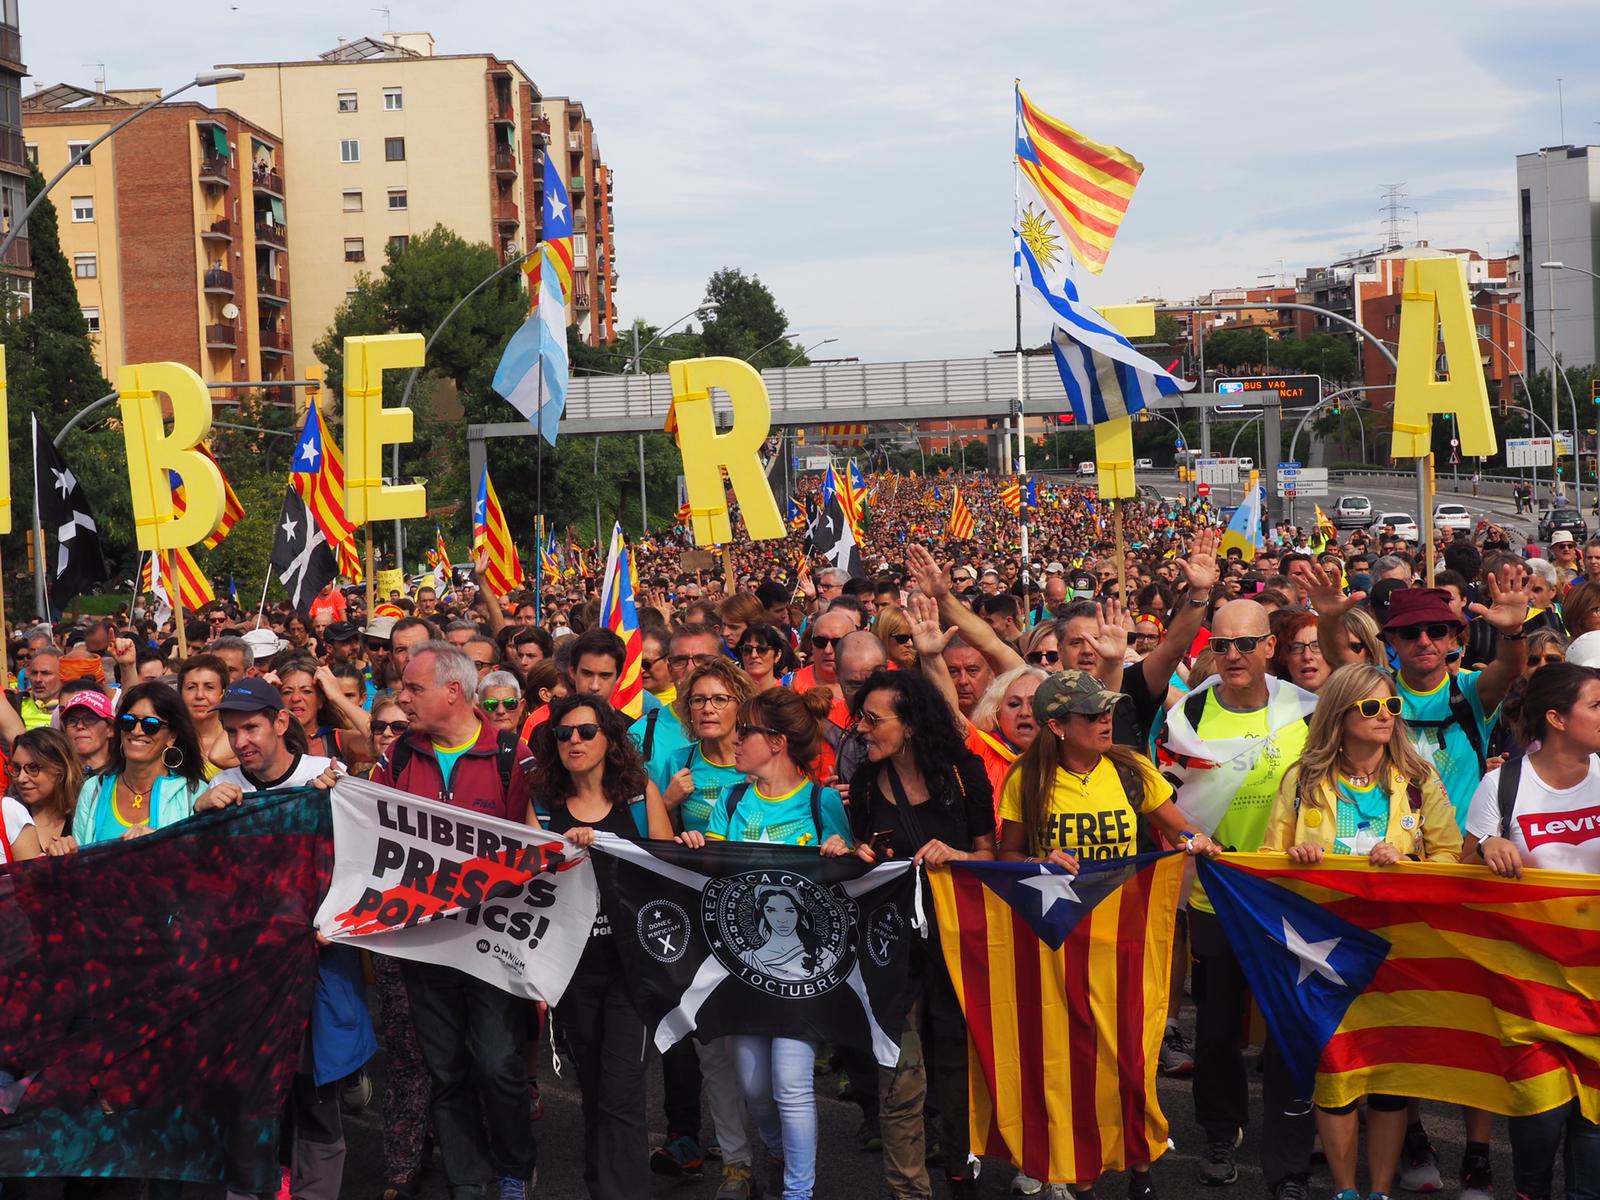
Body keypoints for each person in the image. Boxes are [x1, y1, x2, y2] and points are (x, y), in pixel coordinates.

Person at [1262, 663, 1462, 1200]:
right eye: (1372, 707)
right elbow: (1267, 862)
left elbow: (1448, 856)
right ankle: (1346, 1191)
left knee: (1390, 1076)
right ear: (1341, 714)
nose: (1385, 716)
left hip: (1398, 946)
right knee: (1337, 1073)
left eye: (1392, 706)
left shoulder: (1420, 780)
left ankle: (1379, 1192)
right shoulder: (1302, 779)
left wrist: (1409, 862)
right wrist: (1295, 857)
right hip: (1324, 949)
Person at [1154, 599, 1316, 1198]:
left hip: (1289, 894)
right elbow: (1162, 796)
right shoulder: (1188, 712)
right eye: (1220, 646)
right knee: (1219, 1029)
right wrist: (1191, 838)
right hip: (1215, 895)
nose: (1233, 656)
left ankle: (1290, 1158)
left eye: (1246, 644)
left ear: (1271, 645)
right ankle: (1222, 1134)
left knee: (1288, 1027)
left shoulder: (1307, 708)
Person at [374, 642, 537, 1200]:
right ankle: (468, 1177)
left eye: (413, 688)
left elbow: (540, 846)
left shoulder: (514, 758)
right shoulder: (395, 759)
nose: (402, 699)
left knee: (495, 1063)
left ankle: (514, 1166)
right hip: (424, 945)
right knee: (445, 1069)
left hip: (492, 947)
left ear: (453, 691)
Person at [678, 687, 852, 1200]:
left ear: (775, 742)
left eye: (744, 731)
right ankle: (774, 1152)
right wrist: (696, 847)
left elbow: (847, 885)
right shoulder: (733, 799)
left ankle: (798, 1192)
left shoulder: (821, 801)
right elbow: (714, 877)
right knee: (754, 1087)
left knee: (792, 1086)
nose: (734, 740)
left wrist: (841, 852)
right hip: (743, 966)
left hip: (802, 974)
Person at [848, 670, 995, 1200]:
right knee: (901, 1075)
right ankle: (908, 1191)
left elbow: (990, 856)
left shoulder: (964, 773)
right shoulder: (866, 782)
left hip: (957, 945)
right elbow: (866, 852)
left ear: (910, 725)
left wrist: (956, 855)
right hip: (892, 948)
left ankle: (961, 1174)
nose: (862, 729)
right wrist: (856, 853)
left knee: (956, 1072)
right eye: (859, 718)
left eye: (873, 719)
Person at [1465, 662, 1600, 1200]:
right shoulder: (1502, 786)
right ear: (1557, 718)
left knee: (1592, 1128)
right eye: (1597, 705)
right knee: (1541, 1121)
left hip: (1596, 983)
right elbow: (1460, 879)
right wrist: (1486, 850)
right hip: (1528, 986)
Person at [528, 695, 670, 1199]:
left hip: (633, 970)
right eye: (563, 734)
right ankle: (602, 1186)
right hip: (573, 969)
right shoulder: (543, 805)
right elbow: (528, 885)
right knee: (594, 1091)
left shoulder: (638, 796)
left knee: (622, 1093)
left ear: (609, 738)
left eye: (586, 732)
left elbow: (666, 877)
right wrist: (562, 853)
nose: (574, 742)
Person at [55, 682, 208, 851]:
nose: (136, 731)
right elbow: (80, 862)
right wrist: (66, 852)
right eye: (128, 721)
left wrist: (160, 843)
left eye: (151, 724)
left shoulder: (194, 793)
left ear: (171, 736)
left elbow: (201, 861)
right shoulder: (93, 789)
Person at [7, 727, 78, 852]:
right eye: (17, 768)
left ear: (60, 768)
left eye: (33, 767)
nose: (21, 778)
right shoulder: (7, 814)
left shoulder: (86, 812)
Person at [179, 653, 239, 776]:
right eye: (191, 687)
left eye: (209, 687)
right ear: (180, 693)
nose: (199, 695)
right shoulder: (170, 738)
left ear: (223, 692)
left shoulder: (239, 738)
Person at [60, 688, 116, 777]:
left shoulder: (124, 776)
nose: (79, 726)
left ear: (110, 729)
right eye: (72, 720)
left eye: (90, 719)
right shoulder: (57, 776)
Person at [736, 623, 797, 693]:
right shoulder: (734, 691)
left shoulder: (790, 691)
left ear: (777, 655)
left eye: (762, 649)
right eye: (747, 649)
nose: (753, 655)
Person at [477, 671, 525, 738]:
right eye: (491, 704)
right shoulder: (471, 747)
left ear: (521, 707)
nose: (501, 711)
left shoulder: (533, 746)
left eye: (510, 703)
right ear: (480, 709)